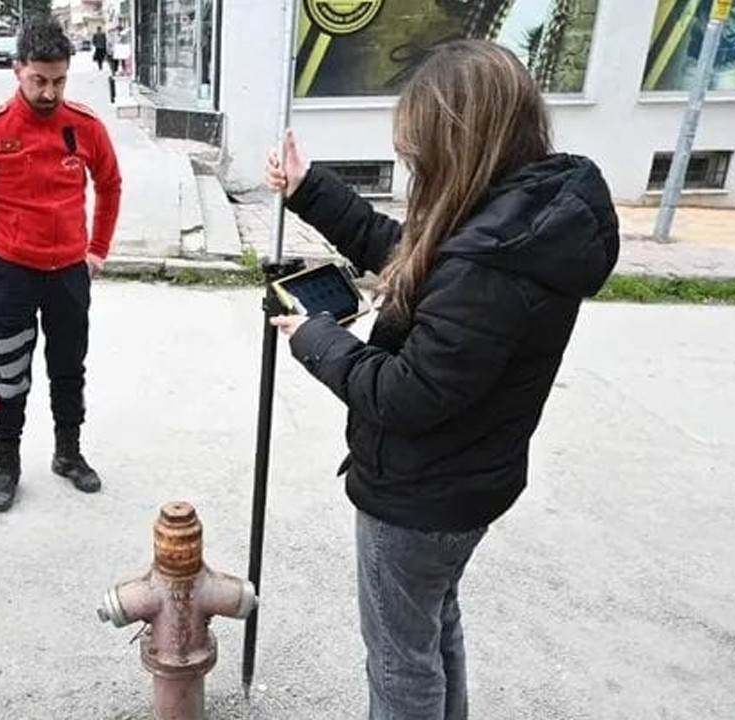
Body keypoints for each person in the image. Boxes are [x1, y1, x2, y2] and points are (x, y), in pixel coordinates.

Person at [264, 40, 618, 718]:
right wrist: (310, 189)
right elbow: (413, 257)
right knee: (431, 625)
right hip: (466, 483)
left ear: (461, 144)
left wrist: (315, 338)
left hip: (419, 498)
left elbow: (405, 393)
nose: (412, 167)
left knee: (400, 661)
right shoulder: (518, 220)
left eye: (419, 154)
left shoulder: (490, 266)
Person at [0, 19, 122, 513]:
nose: (49, 92)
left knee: (69, 369)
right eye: (38, 80)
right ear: (17, 69)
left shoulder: (85, 126)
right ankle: (6, 466)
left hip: (69, 275)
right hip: (13, 275)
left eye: (59, 81)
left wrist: (98, 249)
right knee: (11, 372)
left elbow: (110, 184)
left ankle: (68, 454)